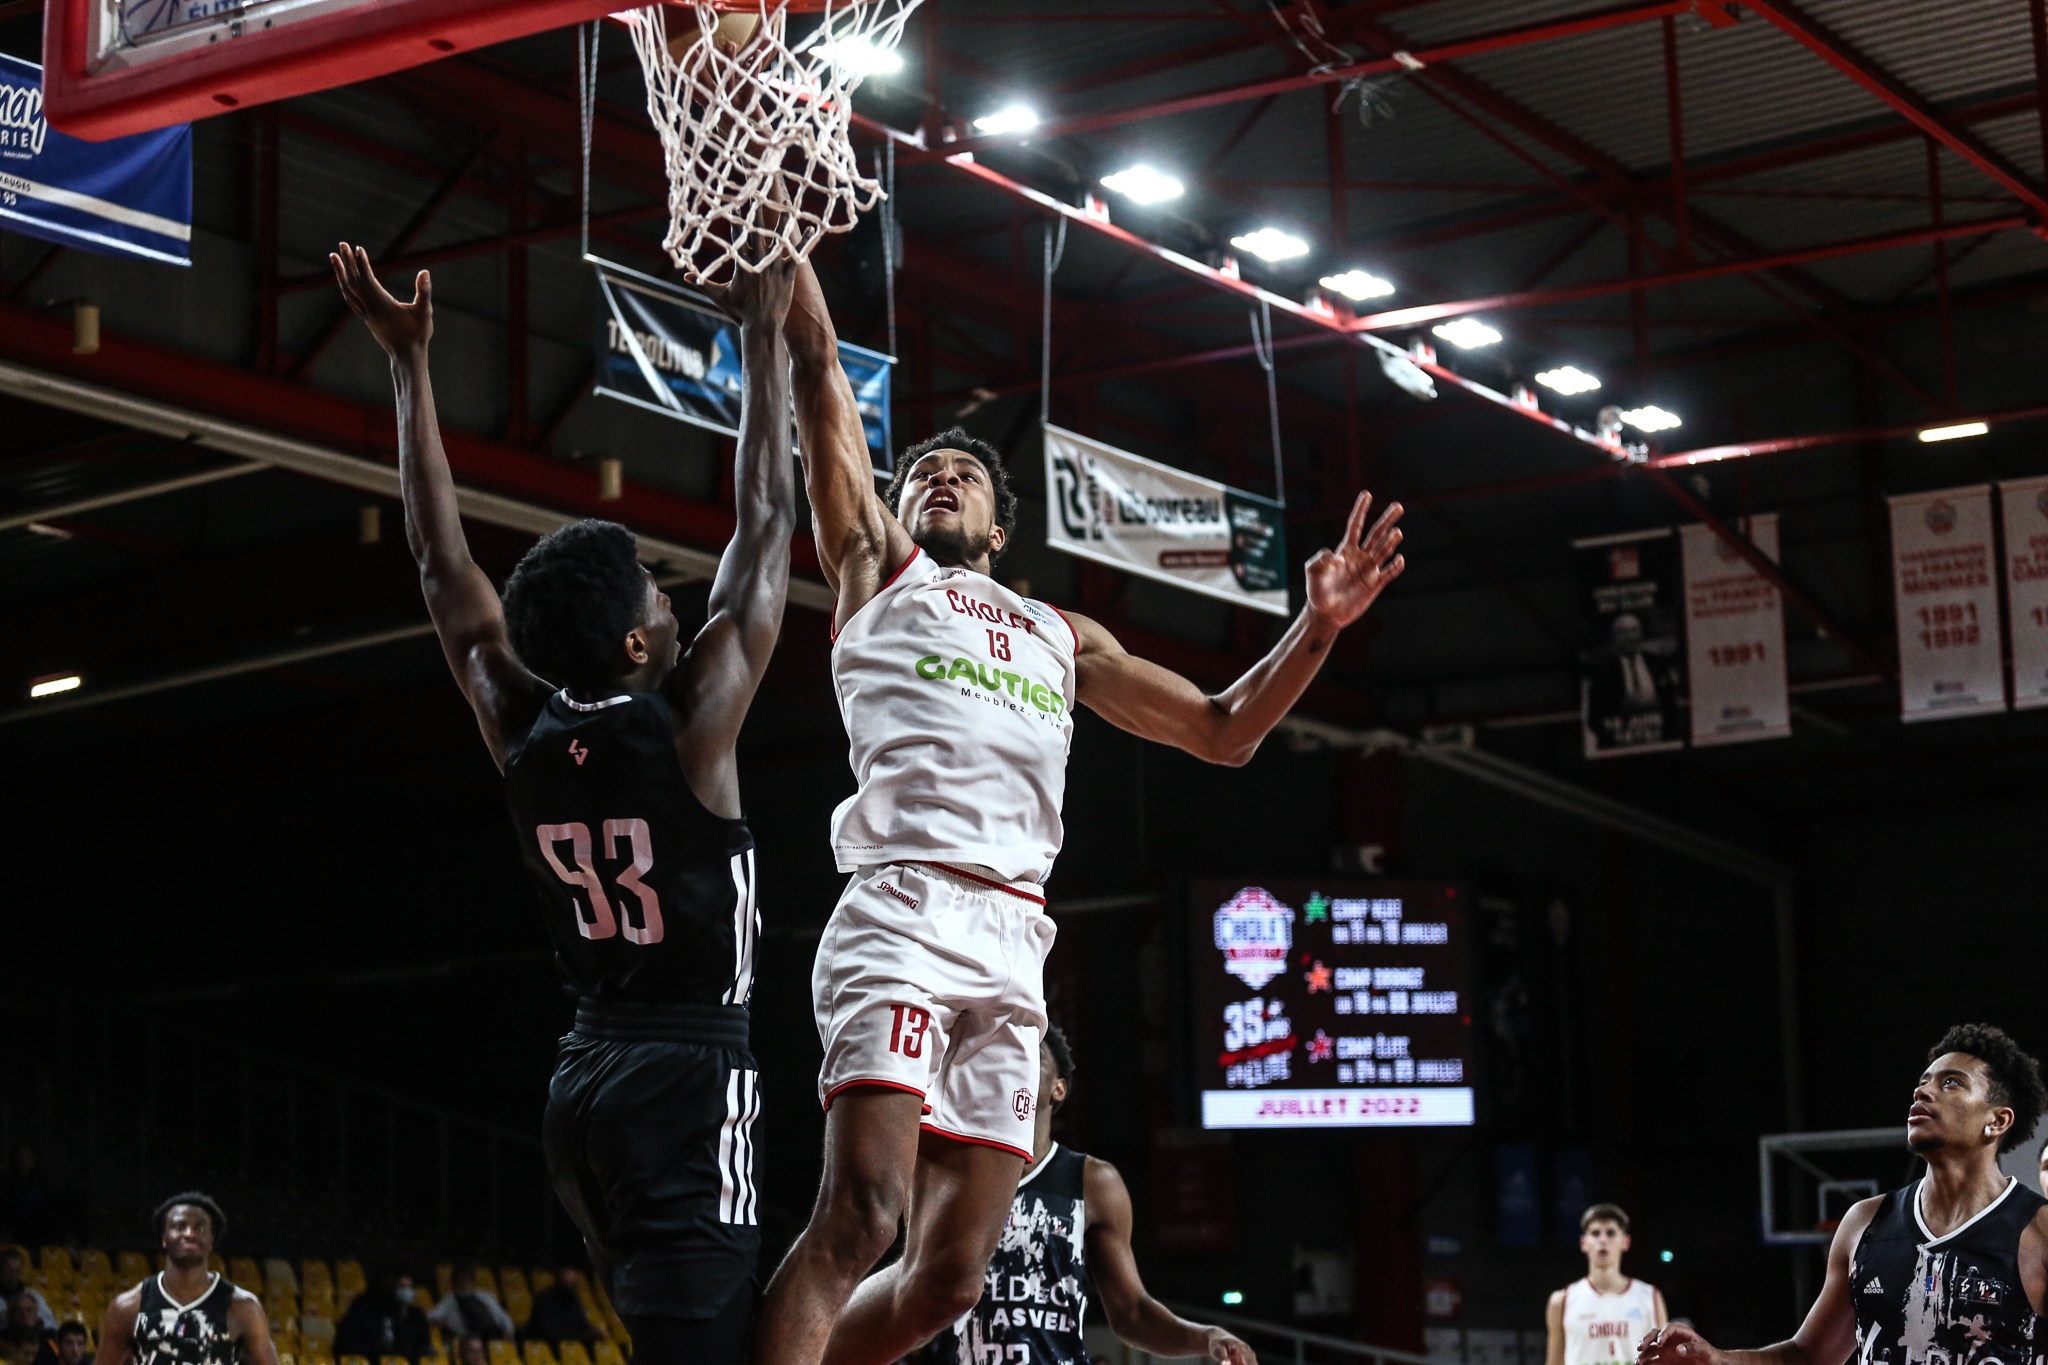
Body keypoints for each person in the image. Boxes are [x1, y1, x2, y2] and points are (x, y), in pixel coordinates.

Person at [757, 259, 1407, 1365]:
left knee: (947, 1285)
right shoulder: (877, 568)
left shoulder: (1065, 637)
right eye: (922, 476)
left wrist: (1320, 626)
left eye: (961, 472)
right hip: (903, 909)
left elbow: (1222, 730)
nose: (940, 481)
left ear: (1002, 530)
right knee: (862, 1215)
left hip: (1013, 937)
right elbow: (817, 361)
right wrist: (780, 222)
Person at [330, 244, 796, 1365]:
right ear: (636, 640)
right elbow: (770, 522)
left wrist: (408, 367)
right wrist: (764, 335)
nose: (676, 596)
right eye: (655, 591)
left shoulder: (518, 723)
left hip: (584, 1084)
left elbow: (443, 576)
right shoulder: (693, 726)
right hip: (687, 1077)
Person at [1638, 1024, 2048, 1365]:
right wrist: (1718, 1359)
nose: (1922, 1092)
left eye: (1951, 1083)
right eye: (1922, 1083)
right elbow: (1807, 1355)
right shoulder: (1865, 1223)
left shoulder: (2038, 1229)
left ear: (1997, 1121)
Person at [941, 1026, 1255, 1365]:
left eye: (1032, 1054)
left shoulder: (1092, 1182)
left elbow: (1132, 1314)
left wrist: (1207, 1336)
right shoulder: (950, 1172)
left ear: (1058, 1088)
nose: (1016, 1061)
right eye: (1006, 1054)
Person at [93, 1194, 277, 1365]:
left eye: (199, 1228)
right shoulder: (128, 1306)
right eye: (180, 1226)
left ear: (211, 1240)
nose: (189, 1233)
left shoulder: (243, 1307)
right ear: (164, 1238)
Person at [1545, 1205, 1666, 1365]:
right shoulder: (1562, 1300)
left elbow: (1665, 1359)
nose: (1602, 1240)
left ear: (1626, 1242)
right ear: (1583, 1243)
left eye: (1610, 1233)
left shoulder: (1650, 1297)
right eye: (1595, 1233)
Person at [335, 1272, 430, 1359]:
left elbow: (416, 1343)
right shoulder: (363, 1308)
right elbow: (349, 1344)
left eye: (408, 1287)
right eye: (400, 1287)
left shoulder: (414, 1314)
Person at [426, 1270, 513, 1344]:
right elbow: (432, 1316)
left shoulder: (486, 1296)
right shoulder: (450, 1300)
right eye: (461, 1280)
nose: (464, 1282)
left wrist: (508, 1331)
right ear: (455, 1282)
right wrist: (442, 1323)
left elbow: (501, 1315)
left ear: (472, 1280)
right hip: (469, 1339)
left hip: (494, 1335)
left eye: (467, 1279)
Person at [523, 1269, 599, 1345]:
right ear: (558, 1275)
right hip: (548, 1347)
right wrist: (580, 1335)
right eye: (567, 1271)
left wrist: (593, 1332)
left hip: (570, 1345)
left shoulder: (574, 1299)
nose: (571, 1276)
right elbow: (549, 1332)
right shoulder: (544, 1299)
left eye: (573, 1272)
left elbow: (583, 1324)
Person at [0, 1250, 54, 1333]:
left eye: (17, 1271)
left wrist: (39, 1322)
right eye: (10, 1271)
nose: (14, 1275)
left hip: (31, 1339)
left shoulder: (33, 1294)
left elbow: (52, 1323)